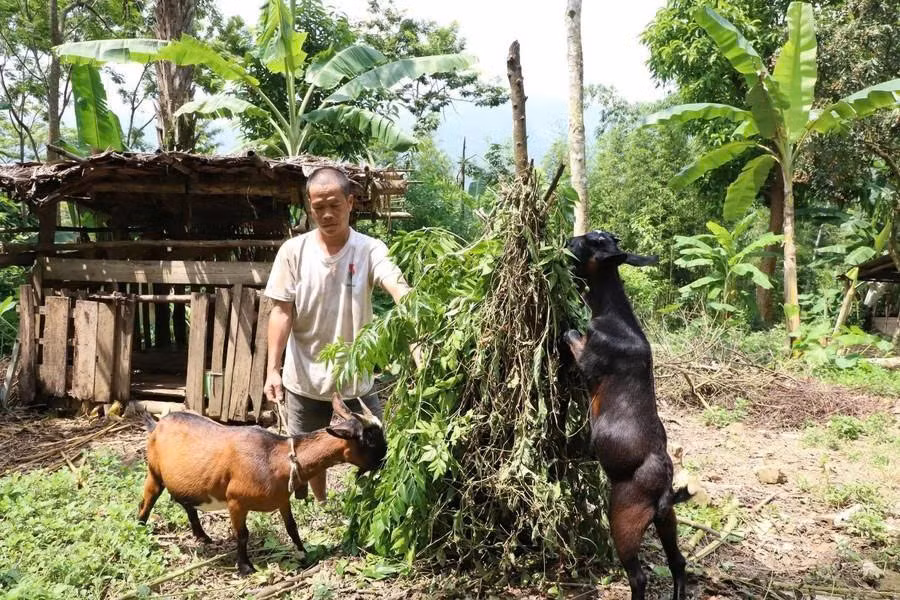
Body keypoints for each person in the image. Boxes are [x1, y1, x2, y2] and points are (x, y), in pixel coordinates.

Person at [263, 166, 414, 502]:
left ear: (350, 202)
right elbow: (281, 311)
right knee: (308, 456)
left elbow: (395, 283)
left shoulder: (370, 249)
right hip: (304, 377)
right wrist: (273, 368)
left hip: (356, 381)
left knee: (376, 451)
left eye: (334, 204)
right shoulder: (294, 252)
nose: (326, 214)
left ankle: (371, 506)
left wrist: (411, 306)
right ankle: (320, 504)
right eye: (318, 207)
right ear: (309, 207)